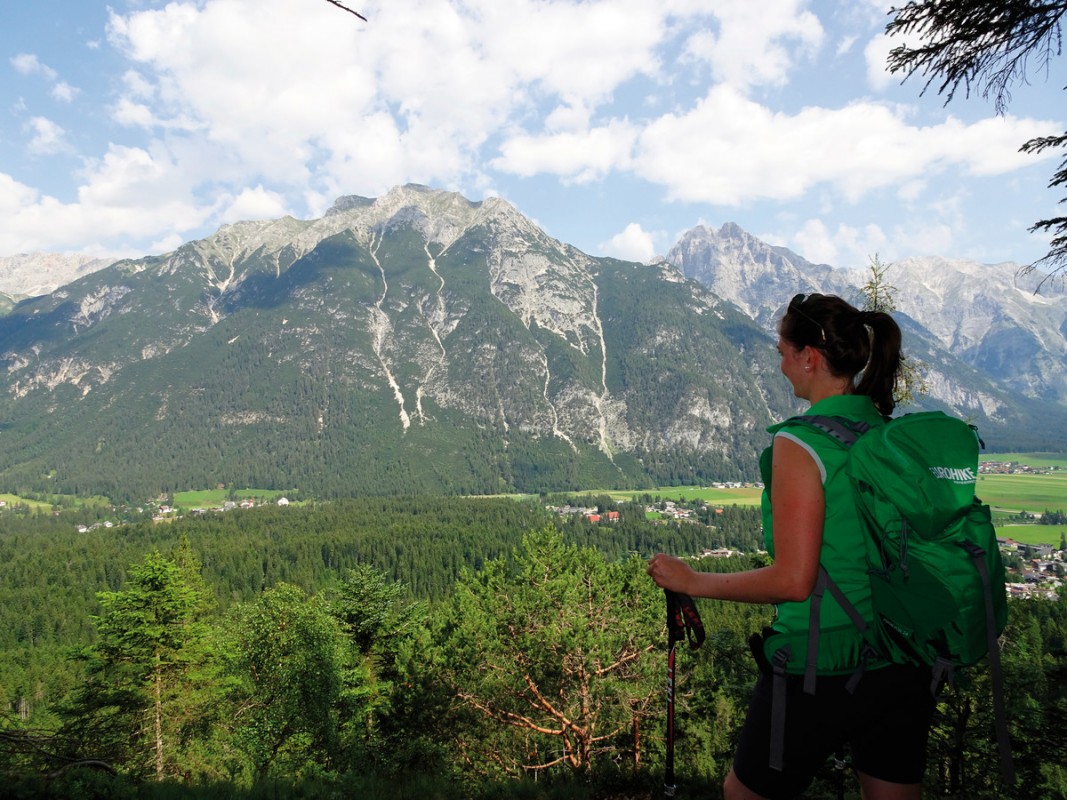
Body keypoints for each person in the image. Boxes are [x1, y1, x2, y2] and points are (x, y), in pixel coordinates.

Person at [647, 293, 936, 800]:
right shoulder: (883, 434)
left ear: (810, 357)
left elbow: (793, 581)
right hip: (900, 655)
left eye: (782, 352)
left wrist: (692, 580)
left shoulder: (802, 443)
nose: (780, 366)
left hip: (819, 661)